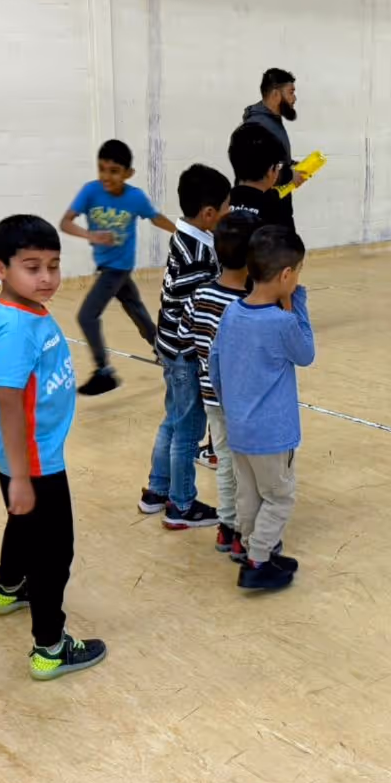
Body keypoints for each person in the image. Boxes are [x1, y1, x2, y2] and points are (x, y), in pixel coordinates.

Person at [0, 215, 106, 681]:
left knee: (24, 525)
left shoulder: (16, 313)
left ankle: (9, 585)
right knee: (55, 553)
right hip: (33, 458)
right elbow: (10, 400)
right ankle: (50, 647)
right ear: (0, 267)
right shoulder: (18, 327)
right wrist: (20, 474)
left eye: (54, 266)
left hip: (19, 454)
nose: (47, 278)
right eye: (32, 267)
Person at [209, 225, 314, 591]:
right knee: (279, 496)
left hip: (239, 428)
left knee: (249, 494)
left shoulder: (232, 315)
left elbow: (215, 362)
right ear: (286, 275)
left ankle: (255, 550)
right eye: (298, 272)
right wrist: (298, 305)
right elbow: (306, 354)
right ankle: (257, 560)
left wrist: (230, 406)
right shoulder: (283, 322)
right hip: (273, 434)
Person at [141, 164, 232, 529]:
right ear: (209, 213)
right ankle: (180, 505)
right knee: (189, 431)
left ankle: (156, 491)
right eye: (226, 208)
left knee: (173, 421)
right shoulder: (197, 251)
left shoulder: (187, 235)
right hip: (183, 353)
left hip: (168, 345)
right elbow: (198, 310)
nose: (229, 214)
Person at [60, 139, 175, 395]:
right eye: (102, 169)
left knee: (87, 315)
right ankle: (166, 353)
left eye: (113, 171)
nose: (106, 176)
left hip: (117, 269)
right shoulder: (90, 192)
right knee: (138, 312)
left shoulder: (134, 198)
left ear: (128, 174)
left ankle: (104, 372)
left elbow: (156, 218)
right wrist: (90, 236)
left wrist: (182, 231)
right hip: (109, 268)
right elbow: (65, 222)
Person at [176, 211, 259, 561]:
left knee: (225, 461)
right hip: (249, 401)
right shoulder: (254, 303)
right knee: (250, 468)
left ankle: (226, 527)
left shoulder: (201, 295)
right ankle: (244, 532)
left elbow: (184, 336)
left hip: (212, 396)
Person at [242, 68, 302, 234]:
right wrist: (290, 175)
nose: (294, 98)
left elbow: (273, 160)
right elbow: (256, 170)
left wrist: (292, 166)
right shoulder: (258, 126)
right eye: (291, 92)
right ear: (276, 94)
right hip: (266, 212)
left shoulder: (272, 122)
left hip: (278, 207)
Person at [226, 123, 293, 229]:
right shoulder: (276, 208)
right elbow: (286, 244)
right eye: (278, 166)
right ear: (272, 169)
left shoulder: (222, 204)